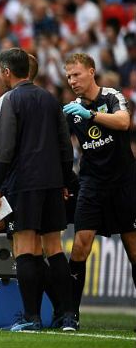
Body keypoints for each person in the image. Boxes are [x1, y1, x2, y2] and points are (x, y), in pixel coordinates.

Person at [0, 48, 77, 332]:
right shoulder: (51, 99)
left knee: (25, 248)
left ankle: (31, 317)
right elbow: (66, 147)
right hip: (52, 182)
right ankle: (67, 316)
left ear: (6, 71)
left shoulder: (11, 99)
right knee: (54, 249)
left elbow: (4, 147)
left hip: (24, 183)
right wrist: (65, 181)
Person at [62, 53, 136, 328]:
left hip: (124, 181)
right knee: (80, 244)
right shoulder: (72, 110)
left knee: (133, 248)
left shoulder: (112, 96)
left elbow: (123, 123)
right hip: (91, 183)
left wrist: (92, 115)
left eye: (76, 74)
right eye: (69, 76)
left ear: (91, 72)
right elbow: (60, 148)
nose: (72, 81)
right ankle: (71, 314)